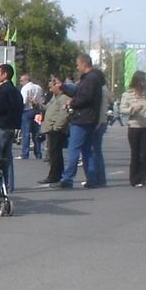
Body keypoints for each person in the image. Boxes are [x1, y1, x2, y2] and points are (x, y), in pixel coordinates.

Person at [59, 53, 103, 189]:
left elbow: (85, 97)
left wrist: (72, 103)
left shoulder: (90, 79)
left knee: (74, 149)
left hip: (82, 118)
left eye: (78, 65)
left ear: (84, 64)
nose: (77, 68)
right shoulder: (92, 78)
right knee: (87, 150)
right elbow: (80, 93)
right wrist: (64, 88)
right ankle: (92, 178)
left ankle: (67, 178)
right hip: (90, 118)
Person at [0, 63, 23, 193]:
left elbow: (0, 107)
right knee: (8, 158)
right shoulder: (15, 90)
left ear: (4, 74)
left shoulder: (4, 89)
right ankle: (8, 185)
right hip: (12, 127)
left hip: (1, 125)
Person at [119, 70, 146, 187]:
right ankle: (135, 179)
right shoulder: (127, 95)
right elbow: (122, 109)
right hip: (134, 126)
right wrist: (132, 110)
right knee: (135, 153)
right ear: (136, 81)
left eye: (145, 81)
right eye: (141, 81)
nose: (143, 83)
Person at [36, 76, 70, 185]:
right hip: (50, 129)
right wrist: (38, 104)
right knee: (53, 153)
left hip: (56, 130)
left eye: (51, 87)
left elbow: (64, 114)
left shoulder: (64, 98)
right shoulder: (55, 98)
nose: (50, 90)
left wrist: (57, 127)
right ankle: (55, 174)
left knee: (55, 154)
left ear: (57, 86)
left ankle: (55, 175)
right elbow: (50, 109)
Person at [86, 76, 113, 187]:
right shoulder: (104, 89)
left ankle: (97, 178)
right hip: (101, 121)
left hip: (98, 122)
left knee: (94, 150)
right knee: (96, 150)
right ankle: (100, 178)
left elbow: (101, 108)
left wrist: (97, 122)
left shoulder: (100, 90)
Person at [18, 73, 45, 160]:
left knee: (26, 133)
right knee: (36, 133)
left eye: (21, 80)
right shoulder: (38, 87)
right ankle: (38, 153)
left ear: (26, 80)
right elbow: (41, 100)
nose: (20, 82)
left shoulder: (25, 88)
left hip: (27, 110)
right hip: (36, 110)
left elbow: (23, 101)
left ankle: (24, 153)